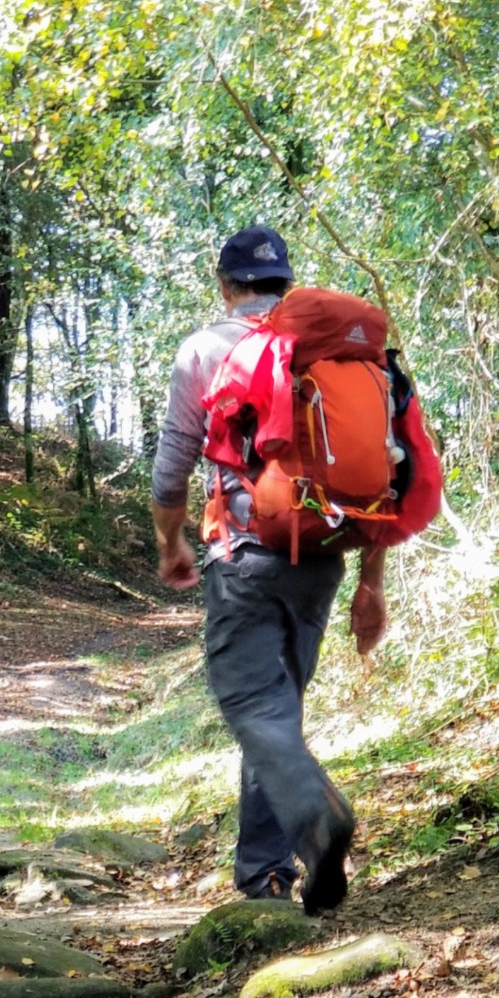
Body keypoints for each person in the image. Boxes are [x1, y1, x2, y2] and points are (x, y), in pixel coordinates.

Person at [150, 225, 388, 916]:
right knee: (276, 709)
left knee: (254, 706)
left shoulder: (205, 349)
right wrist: (372, 582)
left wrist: (171, 544)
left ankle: (317, 818)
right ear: (284, 283)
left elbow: (172, 468)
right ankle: (268, 872)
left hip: (246, 554)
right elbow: (385, 470)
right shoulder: (331, 352)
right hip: (323, 556)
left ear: (225, 287)